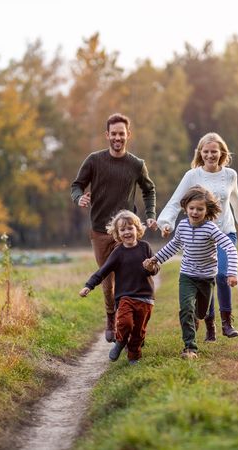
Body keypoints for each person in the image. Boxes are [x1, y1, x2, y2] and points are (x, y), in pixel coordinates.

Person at [156, 132, 238, 342]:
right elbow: (176, 200)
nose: (210, 155)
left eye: (214, 151)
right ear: (200, 152)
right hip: (202, 234)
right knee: (206, 277)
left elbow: (236, 201)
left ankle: (227, 322)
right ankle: (210, 326)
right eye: (206, 151)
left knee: (222, 274)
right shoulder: (192, 175)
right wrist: (166, 223)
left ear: (221, 153)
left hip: (225, 231)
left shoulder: (230, 175)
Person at [71, 113, 157, 343]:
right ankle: (111, 316)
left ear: (128, 135)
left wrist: (150, 215)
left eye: (122, 133)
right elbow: (76, 185)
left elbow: (149, 190)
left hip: (126, 231)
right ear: (107, 135)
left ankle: (125, 319)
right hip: (100, 230)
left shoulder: (136, 164)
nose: (117, 137)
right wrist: (79, 197)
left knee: (128, 276)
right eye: (114, 134)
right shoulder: (94, 160)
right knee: (107, 279)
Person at [143, 186, 238, 359]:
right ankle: (190, 348)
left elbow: (230, 248)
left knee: (200, 313)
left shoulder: (211, 228)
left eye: (200, 209)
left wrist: (231, 273)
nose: (195, 212)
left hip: (207, 277)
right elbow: (174, 246)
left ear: (207, 210)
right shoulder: (182, 225)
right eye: (192, 208)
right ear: (185, 207)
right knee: (186, 309)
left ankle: (202, 321)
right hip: (187, 275)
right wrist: (155, 259)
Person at [79, 210, 159, 364]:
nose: (127, 232)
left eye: (130, 228)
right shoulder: (118, 253)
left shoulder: (145, 247)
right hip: (125, 297)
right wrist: (89, 286)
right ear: (117, 233)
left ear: (137, 229)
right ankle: (121, 342)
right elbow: (103, 271)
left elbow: (156, 268)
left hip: (146, 298)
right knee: (124, 323)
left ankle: (133, 357)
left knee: (138, 332)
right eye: (122, 230)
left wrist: (151, 268)